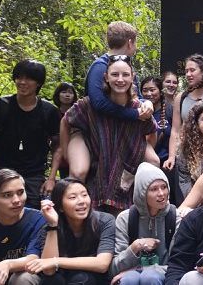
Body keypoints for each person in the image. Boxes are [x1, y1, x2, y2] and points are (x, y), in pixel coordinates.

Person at [65, 56, 157, 212]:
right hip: (96, 168)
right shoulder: (90, 104)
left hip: (126, 171)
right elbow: (66, 120)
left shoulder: (140, 107)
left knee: (153, 163)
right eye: (115, 75)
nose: (120, 79)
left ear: (132, 78)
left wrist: (139, 148)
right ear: (106, 77)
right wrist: (65, 153)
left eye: (125, 75)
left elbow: (152, 131)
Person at [0, 59, 61, 206]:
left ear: (38, 83)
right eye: (19, 77)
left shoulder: (48, 111)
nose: (22, 82)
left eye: (29, 78)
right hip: (1, 173)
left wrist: (51, 178)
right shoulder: (0, 106)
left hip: (33, 177)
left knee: (31, 222)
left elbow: (57, 146)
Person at [28, 178, 116, 285]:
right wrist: (52, 226)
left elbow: (102, 264)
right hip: (62, 277)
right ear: (60, 207)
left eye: (84, 195)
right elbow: (48, 270)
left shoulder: (104, 221)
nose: (82, 201)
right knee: (52, 280)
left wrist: (56, 261)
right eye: (73, 197)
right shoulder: (48, 226)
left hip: (92, 278)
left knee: (83, 278)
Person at [110, 163, 176, 285]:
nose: (161, 193)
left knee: (149, 277)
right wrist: (134, 248)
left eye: (164, 187)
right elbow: (114, 268)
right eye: (154, 189)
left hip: (163, 274)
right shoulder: (125, 218)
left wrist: (140, 269)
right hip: (131, 275)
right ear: (142, 193)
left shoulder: (176, 217)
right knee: (128, 280)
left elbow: (178, 265)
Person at [83, 21, 154, 125]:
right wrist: (134, 114)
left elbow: (135, 97)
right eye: (136, 43)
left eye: (125, 75)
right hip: (100, 131)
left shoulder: (128, 68)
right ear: (130, 43)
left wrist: (146, 103)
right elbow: (99, 103)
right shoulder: (100, 66)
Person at [141, 76, 171, 164]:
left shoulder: (170, 110)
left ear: (160, 91)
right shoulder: (139, 112)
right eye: (145, 90)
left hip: (167, 163)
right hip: (144, 163)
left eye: (152, 90)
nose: (148, 93)